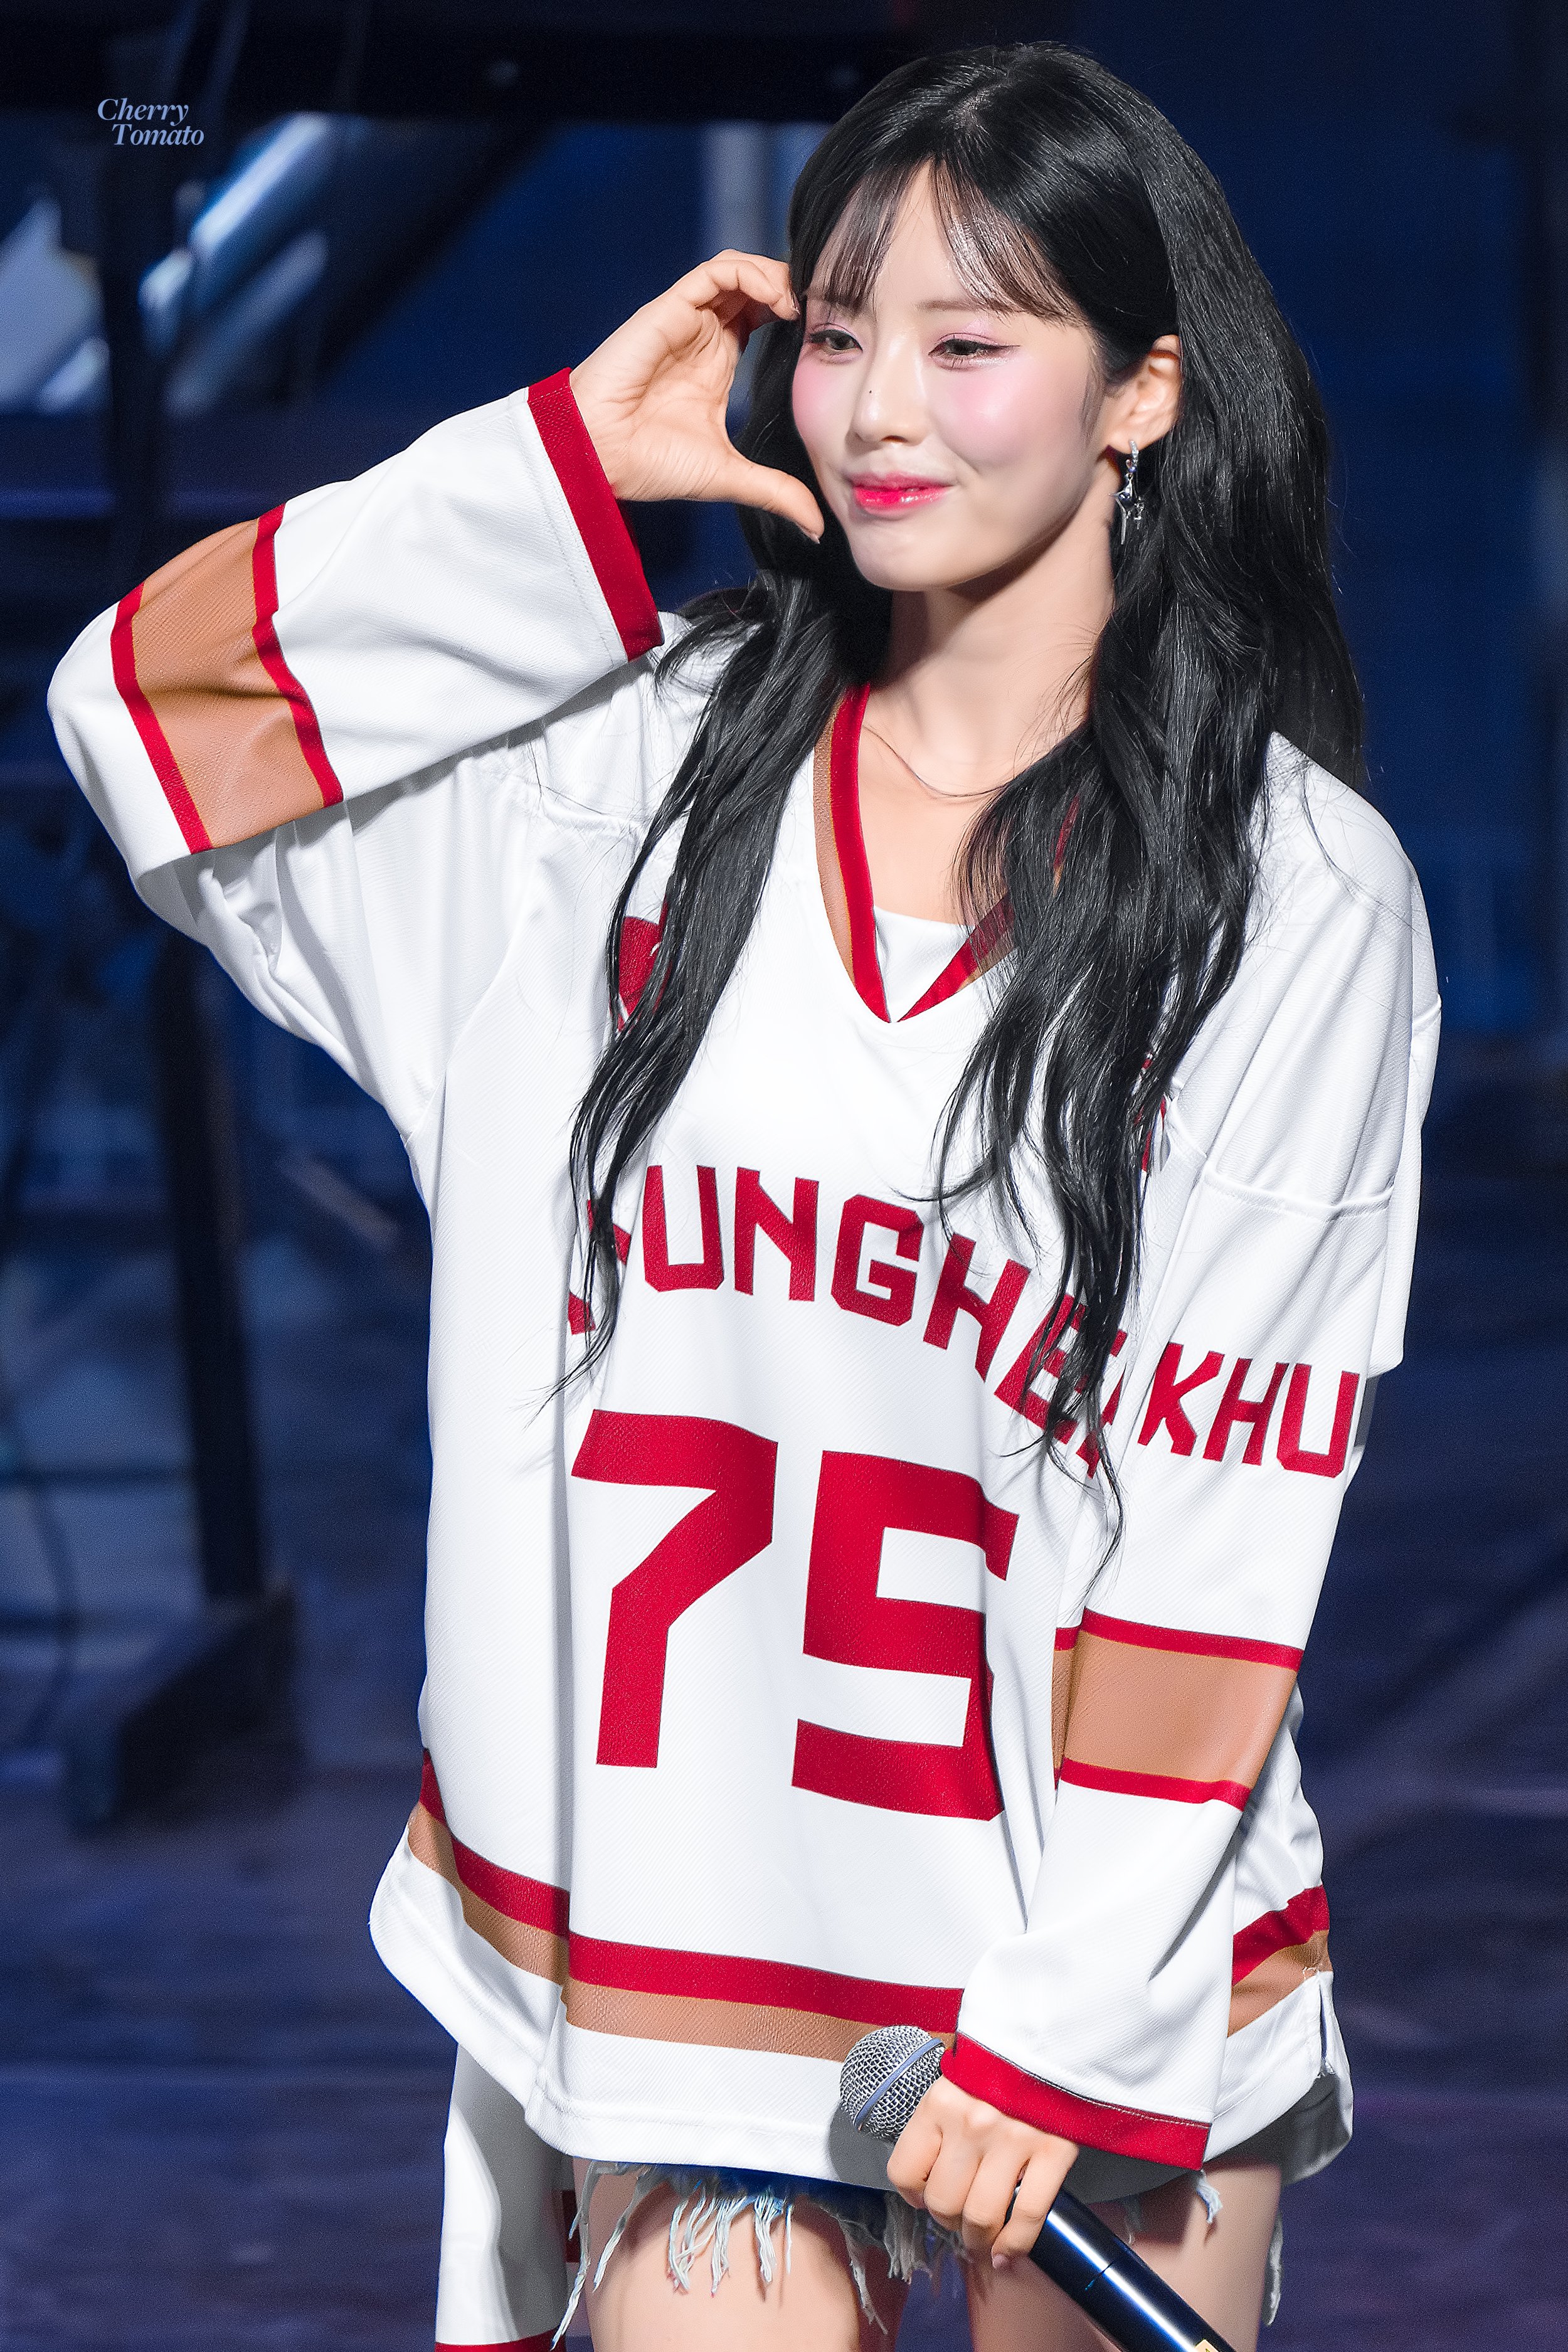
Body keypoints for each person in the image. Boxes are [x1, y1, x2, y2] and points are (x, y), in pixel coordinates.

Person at [50, 42, 1438, 2352]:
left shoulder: (1293, 896)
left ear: (1139, 392)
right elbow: (139, 714)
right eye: (841, 330)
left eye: (970, 344)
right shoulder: (607, 794)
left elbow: (1224, 1504)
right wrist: (554, 475)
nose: (877, 409)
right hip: (687, 1946)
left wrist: (1064, 2030)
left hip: (1089, 1934)